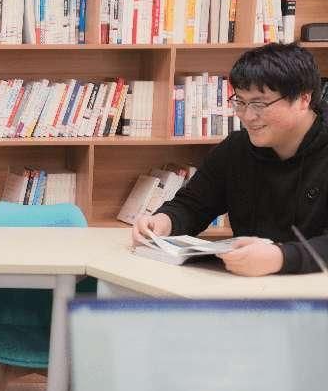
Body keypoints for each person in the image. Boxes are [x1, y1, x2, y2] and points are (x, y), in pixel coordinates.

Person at [132, 43, 328, 277]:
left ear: (303, 99)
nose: (248, 116)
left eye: (259, 104)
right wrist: (165, 222)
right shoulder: (237, 148)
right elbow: (192, 205)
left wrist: (281, 257)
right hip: (245, 284)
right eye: (240, 102)